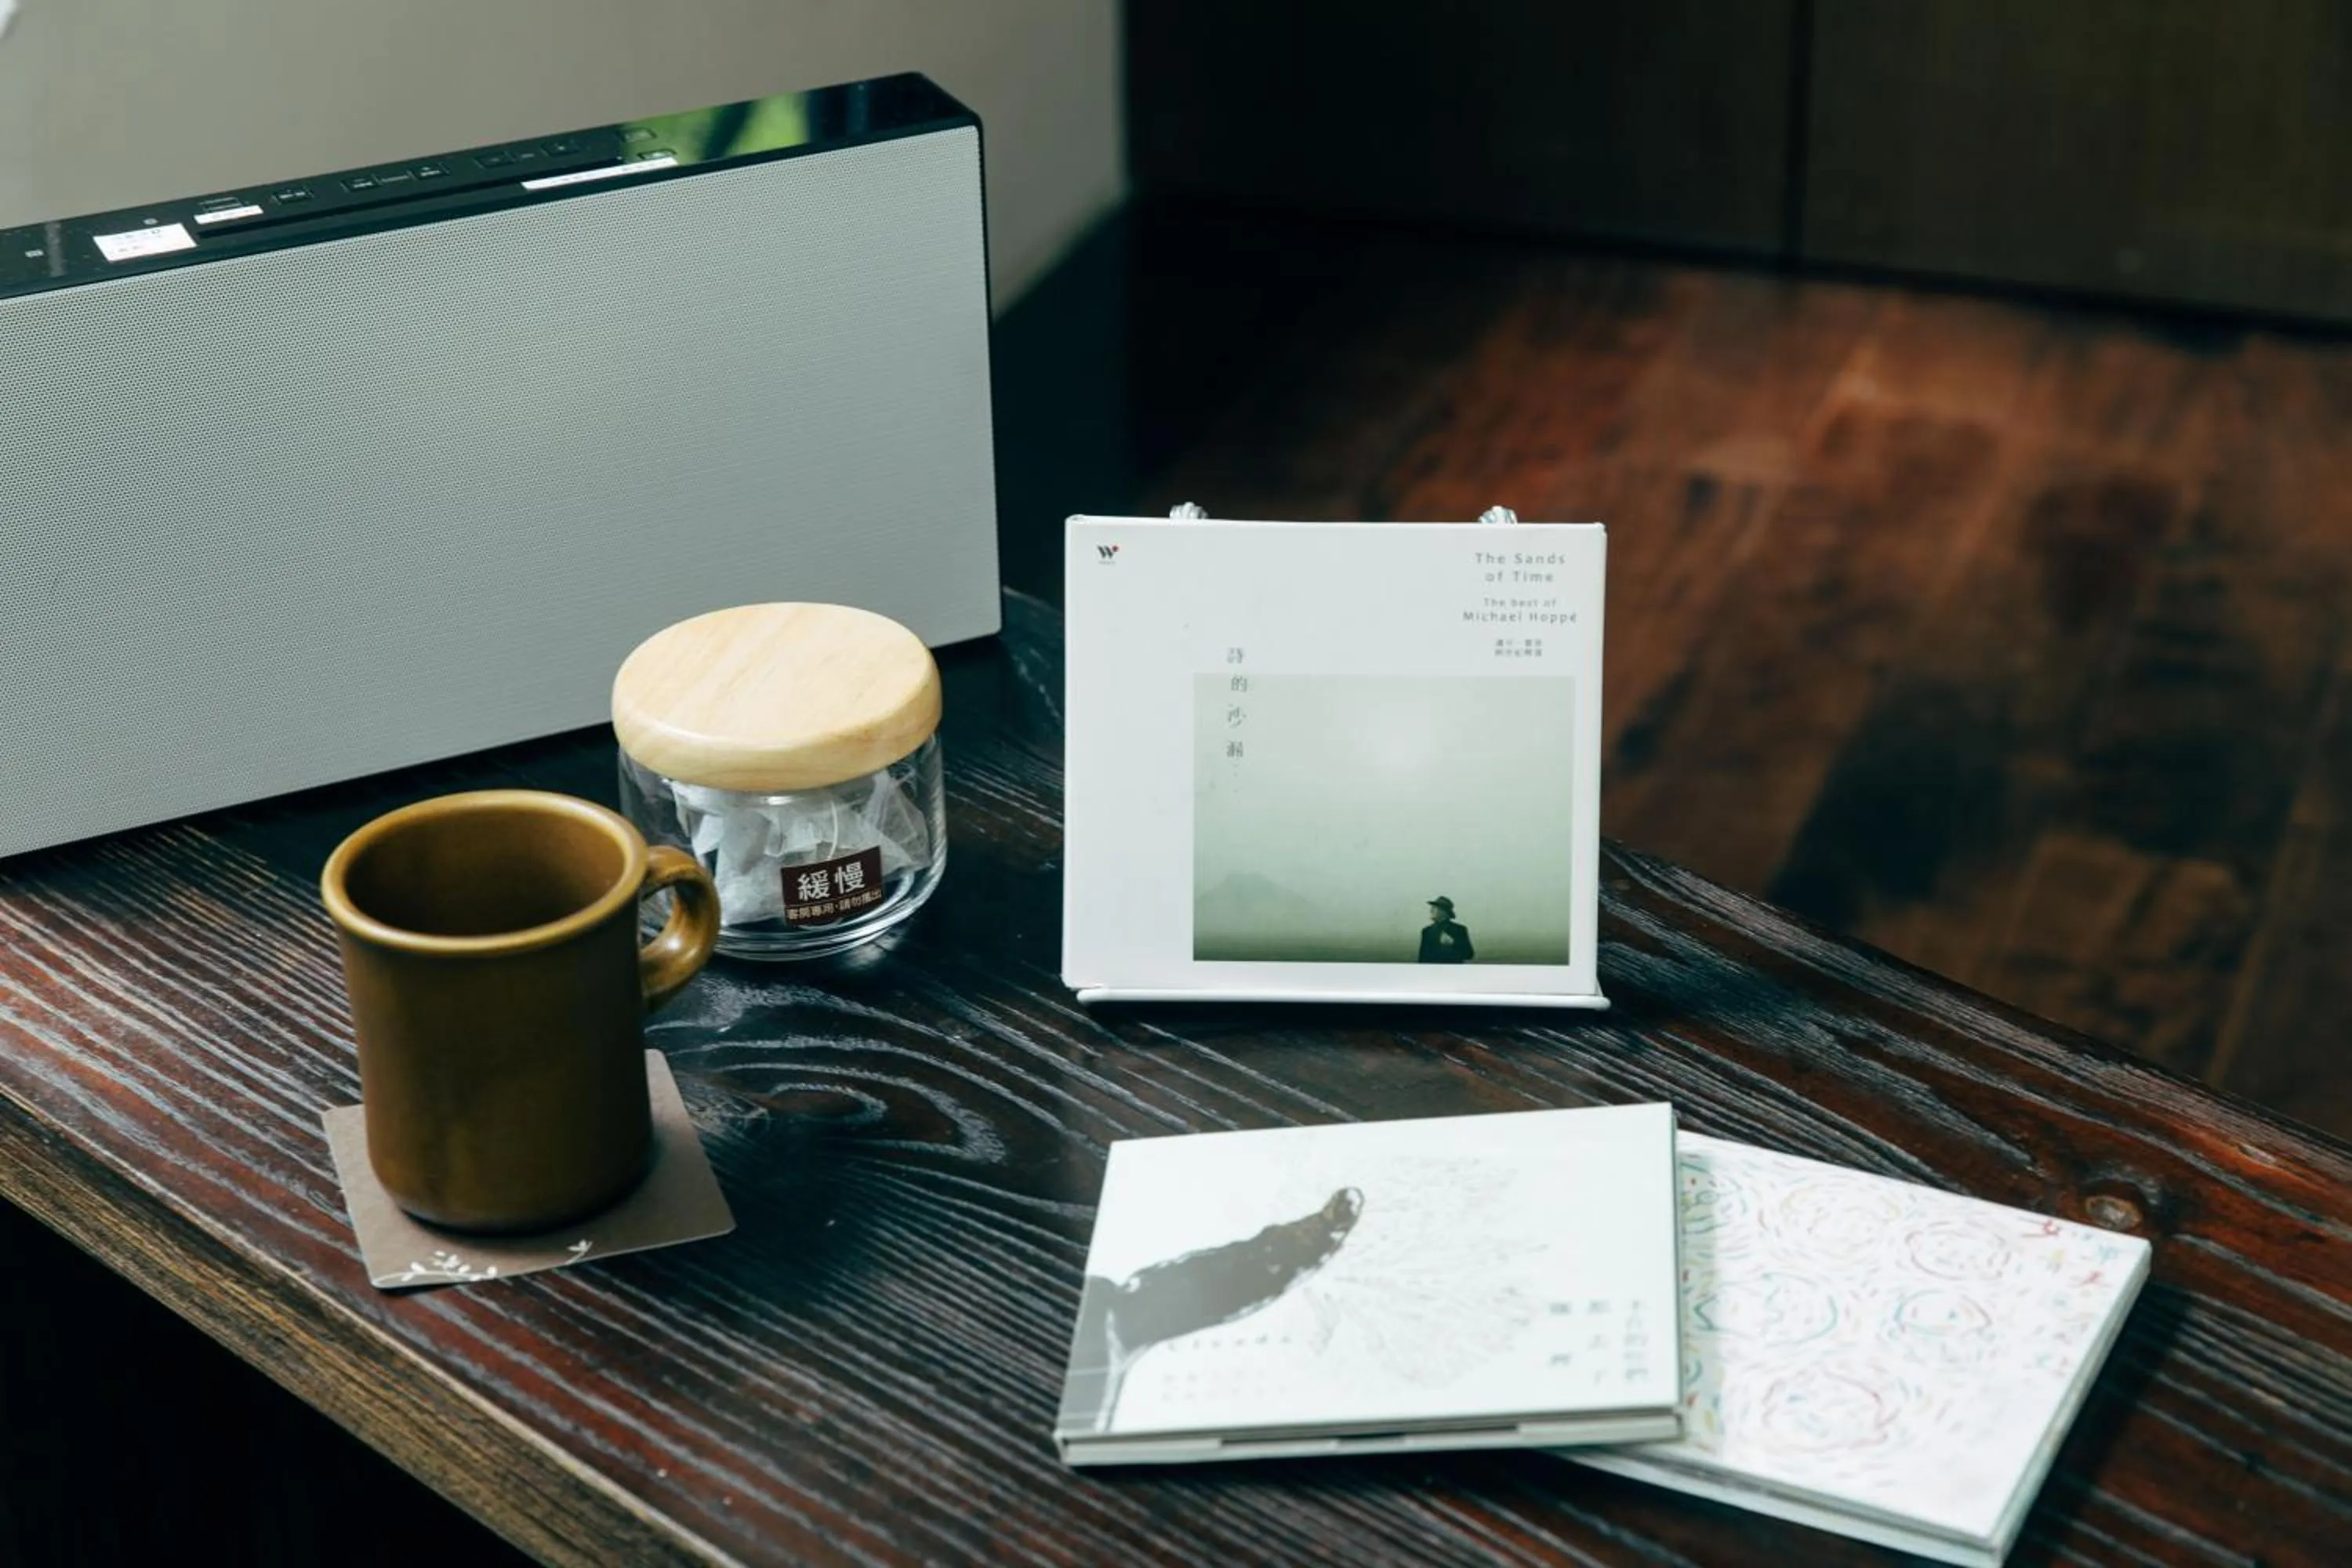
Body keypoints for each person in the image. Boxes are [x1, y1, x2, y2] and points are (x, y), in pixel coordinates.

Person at [1418, 896, 1474, 964]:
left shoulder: (1460, 930)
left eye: (1434, 908)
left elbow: (1469, 955)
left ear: (1444, 911)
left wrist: (1453, 944)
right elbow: (1422, 959)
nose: (1431, 911)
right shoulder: (1427, 931)